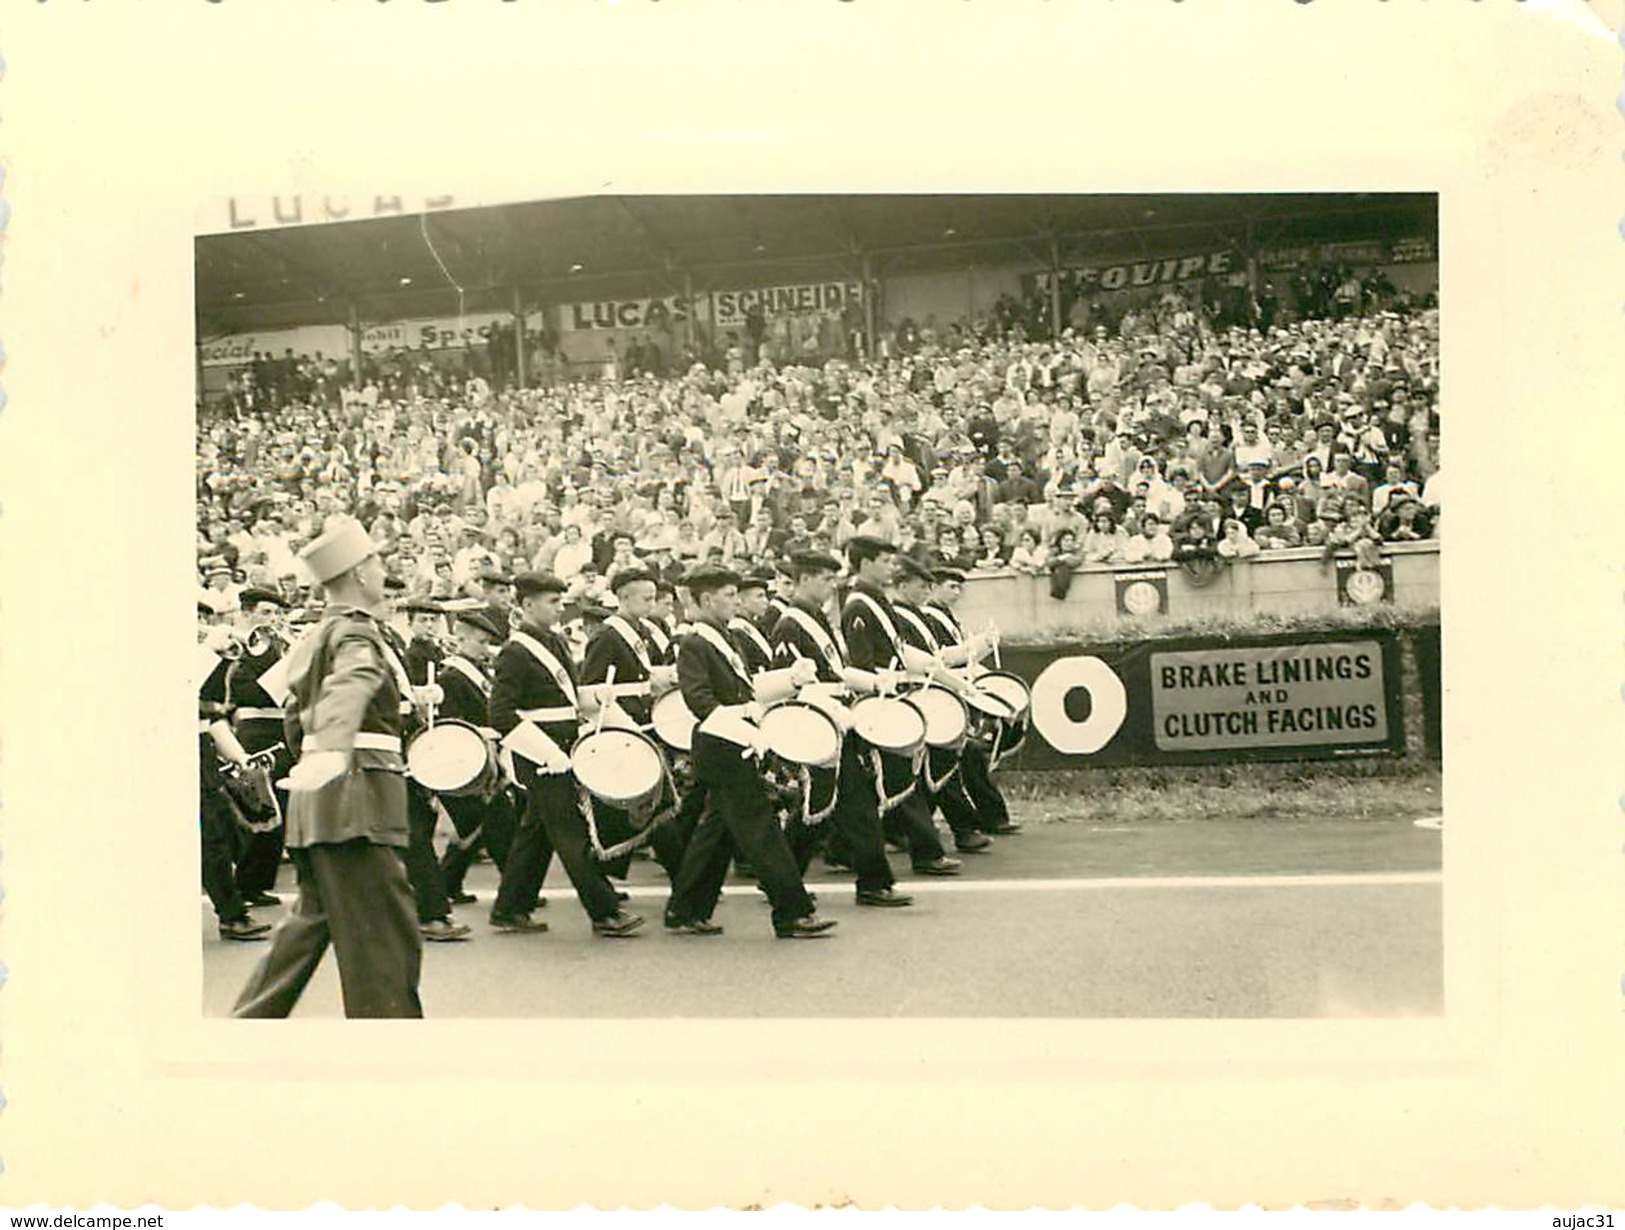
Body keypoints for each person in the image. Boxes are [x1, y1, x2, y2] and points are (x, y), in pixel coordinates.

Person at [233, 517, 424, 1018]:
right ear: (360, 573)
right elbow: (352, 684)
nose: (383, 571)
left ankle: (241, 1031)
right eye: (377, 563)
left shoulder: (315, 635)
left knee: (300, 941)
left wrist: (317, 757)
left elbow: (297, 719)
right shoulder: (357, 634)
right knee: (385, 951)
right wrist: (335, 750)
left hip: (324, 805)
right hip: (356, 801)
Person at [663, 564, 835, 939]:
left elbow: (745, 688)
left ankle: (685, 908)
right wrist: (750, 726)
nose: (735, 601)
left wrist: (790, 680)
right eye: (728, 595)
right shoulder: (694, 643)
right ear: (707, 599)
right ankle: (792, 912)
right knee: (761, 830)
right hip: (724, 746)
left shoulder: (726, 637)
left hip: (734, 744)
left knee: (717, 832)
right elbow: (700, 702)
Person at [489, 572, 645, 937]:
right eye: (552, 602)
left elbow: (568, 698)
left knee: (536, 832)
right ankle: (604, 912)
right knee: (570, 832)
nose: (560, 608)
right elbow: (500, 714)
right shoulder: (515, 651)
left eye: (561, 601)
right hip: (542, 754)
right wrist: (545, 754)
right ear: (527, 605)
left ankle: (510, 907)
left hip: (562, 745)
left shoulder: (555, 642)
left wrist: (598, 700)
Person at [841, 536, 961, 877]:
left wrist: (937, 668)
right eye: (885, 561)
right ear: (864, 564)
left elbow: (899, 649)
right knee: (899, 779)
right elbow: (863, 664)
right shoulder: (858, 606)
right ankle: (926, 852)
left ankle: (839, 848)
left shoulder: (877, 602)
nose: (892, 568)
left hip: (892, 697)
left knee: (881, 783)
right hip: (880, 703)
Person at [434, 607, 517, 907]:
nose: (487, 649)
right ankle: (516, 888)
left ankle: (447, 884)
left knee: (476, 828)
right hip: (465, 762)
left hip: (485, 759)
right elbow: (449, 723)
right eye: (480, 642)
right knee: (498, 823)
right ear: (460, 639)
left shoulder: (478, 672)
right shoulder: (451, 677)